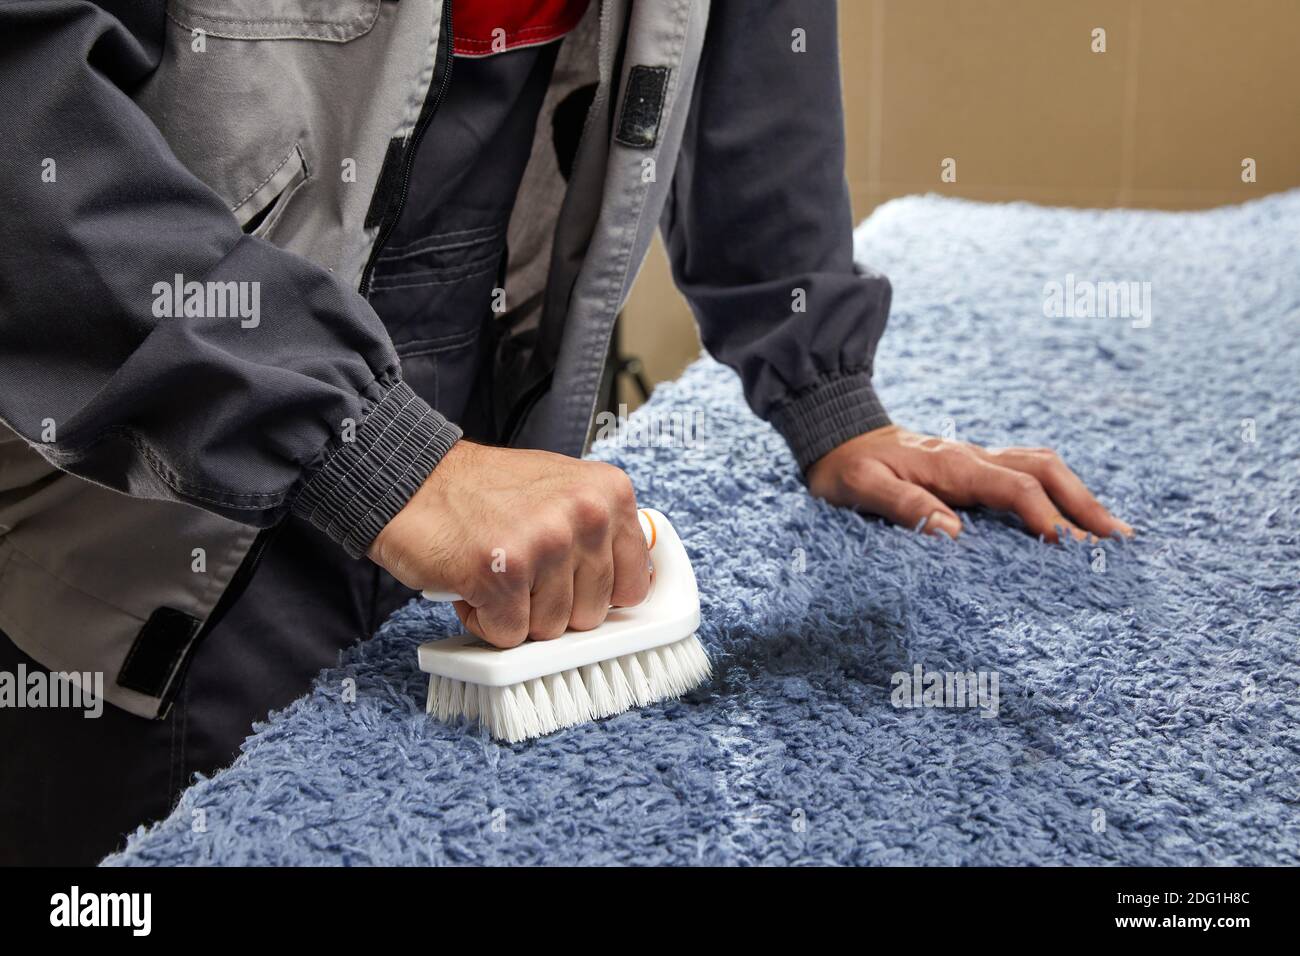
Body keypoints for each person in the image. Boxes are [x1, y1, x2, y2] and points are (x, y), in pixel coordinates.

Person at [0, 0, 1129, 864]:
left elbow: (753, 39)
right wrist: (380, 453)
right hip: (144, 450)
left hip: (498, 366)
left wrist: (823, 383)